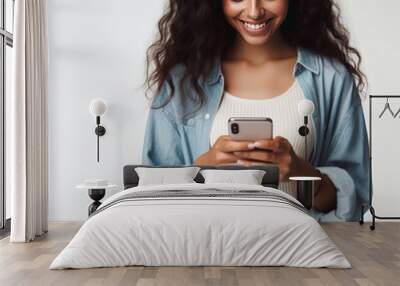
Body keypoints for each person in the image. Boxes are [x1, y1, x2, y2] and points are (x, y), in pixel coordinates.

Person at [142, 0, 369, 222]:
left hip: (297, 250)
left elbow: (356, 195)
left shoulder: (331, 78)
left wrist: (301, 172)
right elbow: (148, 192)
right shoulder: (181, 82)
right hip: (205, 249)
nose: (254, 11)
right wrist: (200, 170)